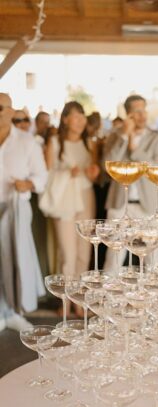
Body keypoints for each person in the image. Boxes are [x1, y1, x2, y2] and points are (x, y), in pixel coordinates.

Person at [0, 92, 47, 332]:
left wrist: (27, 184)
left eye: (1, 107)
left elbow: (42, 177)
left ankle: (14, 312)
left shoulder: (27, 142)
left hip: (15, 207)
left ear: (11, 111)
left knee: (15, 260)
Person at [102, 95, 158, 270]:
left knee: (153, 262)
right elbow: (108, 164)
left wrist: (135, 150)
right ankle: (110, 297)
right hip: (119, 204)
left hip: (148, 206)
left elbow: (157, 170)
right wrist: (124, 135)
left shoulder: (157, 139)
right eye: (136, 112)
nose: (142, 115)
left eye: (143, 110)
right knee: (113, 259)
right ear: (128, 114)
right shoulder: (115, 137)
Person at [41, 101, 100, 283]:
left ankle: (79, 300)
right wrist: (67, 173)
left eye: (83, 116)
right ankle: (66, 299)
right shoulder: (54, 142)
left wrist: (94, 173)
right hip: (63, 198)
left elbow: (94, 176)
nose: (81, 121)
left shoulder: (90, 144)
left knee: (84, 250)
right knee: (68, 252)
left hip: (86, 196)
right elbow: (46, 176)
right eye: (76, 116)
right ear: (65, 119)